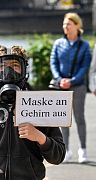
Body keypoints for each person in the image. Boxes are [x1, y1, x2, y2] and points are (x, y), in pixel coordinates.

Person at [0, 46, 65, 180]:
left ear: (24, 70)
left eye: (15, 65)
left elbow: (58, 156)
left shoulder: (41, 105)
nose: (8, 71)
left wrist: (40, 137)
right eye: (3, 66)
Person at [50, 12, 91, 163]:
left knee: (79, 118)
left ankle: (83, 149)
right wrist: (60, 79)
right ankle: (66, 150)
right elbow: (53, 63)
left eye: (68, 24)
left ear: (77, 25)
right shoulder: (58, 43)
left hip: (78, 86)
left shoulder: (85, 45)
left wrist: (72, 80)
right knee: (63, 120)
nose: (65, 26)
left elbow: (84, 67)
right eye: (64, 24)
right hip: (61, 86)